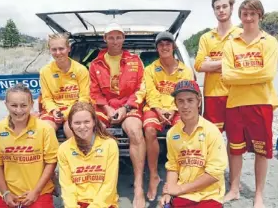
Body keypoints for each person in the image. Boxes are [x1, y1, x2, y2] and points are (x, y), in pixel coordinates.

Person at [221, 0, 278, 208]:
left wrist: (241, 75)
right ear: (240, 16)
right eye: (245, 14)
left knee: (261, 151)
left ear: (259, 15)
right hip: (235, 104)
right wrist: (253, 75)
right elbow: (226, 76)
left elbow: (268, 73)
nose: (248, 18)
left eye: (252, 14)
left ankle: (258, 195)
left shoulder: (269, 42)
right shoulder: (231, 43)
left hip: (261, 103)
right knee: (235, 149)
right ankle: (234, 189)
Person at [89, 22, 146, 207]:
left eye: (118, 37)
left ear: (123, 39)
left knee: (136, 132)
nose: (115, 41)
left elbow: (141, 88)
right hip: (104, 107)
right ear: (105, 39)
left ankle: (138, 187)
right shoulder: (95, 64)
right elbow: (94, 92)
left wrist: (126, 109)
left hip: (129, 107)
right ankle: (98, 184)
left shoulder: (135, 61)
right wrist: (108, 109)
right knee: (92, 132)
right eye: (111, 37)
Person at [0, 83, 59, 208]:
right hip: (10, 193)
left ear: (31, 104)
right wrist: (5, 193)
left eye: (24, 105)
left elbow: (51, 162)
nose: (19, 110)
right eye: (14, 105)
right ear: (6, 104)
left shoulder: (45, 129)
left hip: (40, 192)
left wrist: (36, 192)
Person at [142, 31, 194, 201]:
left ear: (173, 47)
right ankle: (154, 176)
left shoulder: (184, 70)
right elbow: (150, 92)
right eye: (161, 44)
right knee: (149, 130)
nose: (164, 47)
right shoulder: (150, 70)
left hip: (178, 108)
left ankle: (181, 176)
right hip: (155, 108)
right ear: (157, 48)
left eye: (168, 44)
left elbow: (185, 92)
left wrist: (172, 109)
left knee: (182, 133)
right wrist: (158, 110)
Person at [160, 80, 228, 208]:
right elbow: (173, 167)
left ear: (199, 101)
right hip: (184, 195)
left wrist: (179, 189)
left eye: (190, 100)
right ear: (175, 104)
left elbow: (214, 174)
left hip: (209, 195)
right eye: (180, 101)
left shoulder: (212, 131)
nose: (185, 106)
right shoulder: (172, 134)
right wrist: (168, 192)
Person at [194, 0, 242, 133]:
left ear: (231, 8)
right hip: (212, 94)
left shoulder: (241, 34)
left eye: (224, 6)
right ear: (214, 10)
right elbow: (199, 65)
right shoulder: (206, 37)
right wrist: (228, 62)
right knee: (212, 137)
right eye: (217, 7)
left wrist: (213, 63)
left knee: (234, 141)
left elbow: (242, 64)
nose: (221, 10)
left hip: (236, 93)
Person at [58, 102, 119, 208]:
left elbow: (109, 186)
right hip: (77, 204)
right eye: (77, 123)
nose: (82, 127)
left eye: (87, 122)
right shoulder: (64, 149)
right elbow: (67, 187)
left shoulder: (109, 144)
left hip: (104, 203)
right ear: (70, 124)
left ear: (94, 122)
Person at [39, 33, 91, 139]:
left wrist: (66, 114)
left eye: (61, 48)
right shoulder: (45, 71)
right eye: (54, 49)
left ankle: (78, 154)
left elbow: (84, 98)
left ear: (68, 48)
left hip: (76, 109)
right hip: (54, 111)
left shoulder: (81, 70)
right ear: (50, 50)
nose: (58, 53)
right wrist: (54, 111)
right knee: (44, 130)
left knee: (71, 129)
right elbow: (46, 98)